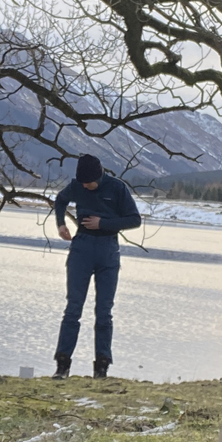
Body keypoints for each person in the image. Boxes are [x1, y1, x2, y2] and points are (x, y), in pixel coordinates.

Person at [51, 153, 141, 379]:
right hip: (81, 247)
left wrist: (104, 223)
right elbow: (60, 200)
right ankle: (63, 365)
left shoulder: (117, 188)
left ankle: (101, 366)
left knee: (104, 311)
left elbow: (134, 220)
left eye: (89, 183)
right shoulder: (77, 186)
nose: (86, 186)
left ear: (99, 175)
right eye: (82, 183)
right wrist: (61, 224)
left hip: (108, 249)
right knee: (73, 308)